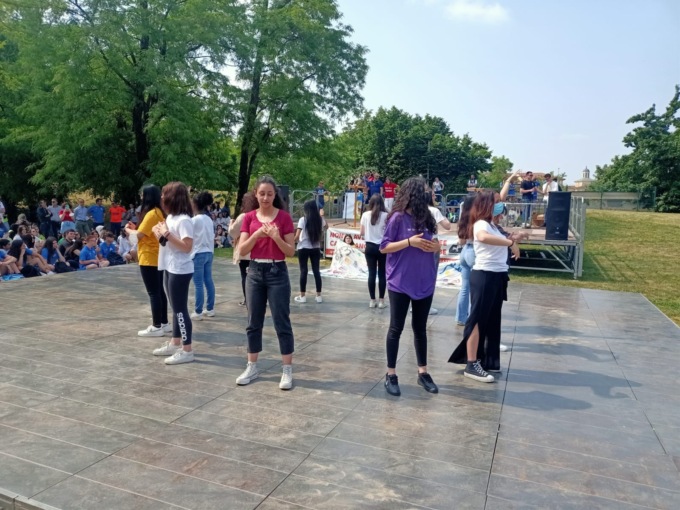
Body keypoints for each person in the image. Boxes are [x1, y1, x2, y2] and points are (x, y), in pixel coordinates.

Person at [448, 191, 521, 382]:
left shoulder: (493, 225)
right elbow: (481, 237)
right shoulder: (481, 224)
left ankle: (487, 359)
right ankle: (471, 363)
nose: (499, 205)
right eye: (496, 202)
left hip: (497, 276)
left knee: (491, 319)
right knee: (477, 319)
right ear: (487, 205)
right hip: (484, 276)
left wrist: (513, 240)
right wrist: (510, 242)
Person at [379, 176, 440, 397]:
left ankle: (423, 372)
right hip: (400, 281)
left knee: (420, 328)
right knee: (396, 328)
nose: (429, 193)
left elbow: (435, 244)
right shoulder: (397, 217)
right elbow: (384, 247)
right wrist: (408, 242)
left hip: (424, 280)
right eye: (425, 190)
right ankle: (391, 374)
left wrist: (436, 247)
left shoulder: (428, 218)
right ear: (413, 193)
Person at [236, 175, 296, 390]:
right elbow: (242, 249)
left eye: (270, 194)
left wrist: (276, 237)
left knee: (282, 321)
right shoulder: (249, 217)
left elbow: (290, 251)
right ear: (256, 194)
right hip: (254, 271)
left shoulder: (284, 218)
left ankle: (287, 369)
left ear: (275, 195)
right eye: (262, 193)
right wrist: (257, 235)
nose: (265, 198)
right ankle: (252, 366)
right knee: (253, 321)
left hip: (277, 271)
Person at [150, 182, 195, 365]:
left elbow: (187, 247)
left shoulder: (184, 220)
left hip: (181, 269)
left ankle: (187, 349)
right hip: (169, 266)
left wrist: (167, 234)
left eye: (164, 194)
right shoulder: (171, 217)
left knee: (180, 310)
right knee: (175, 308)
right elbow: (166, 242)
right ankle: (175, 342)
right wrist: (158, 233)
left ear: (173, 197)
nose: (161, 197)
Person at [125, 185, 170, 338]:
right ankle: (164, 323)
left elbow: (137, 236)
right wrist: (135, 229)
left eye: (142, 195)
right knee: (159, 291)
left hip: (148, 257)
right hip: (157, 256)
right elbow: (143, 232)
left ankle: (156, 326)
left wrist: (128, 230)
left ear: (147, 196)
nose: (140, 197)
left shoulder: (151, 214)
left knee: (153, 293)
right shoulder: (159, 212)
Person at [229, 192, 258, 307]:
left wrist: (231, 223)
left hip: (245, 250)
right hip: (258, 250)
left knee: (245, 276)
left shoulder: (244, 216)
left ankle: (248, 299)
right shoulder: (260, 214)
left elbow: (233, 232)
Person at [190, 191, 216, 320]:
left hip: (198, 253)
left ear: (195, 205)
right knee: (208, 281)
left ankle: (198, 311)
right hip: (209, 252)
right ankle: (210, 309)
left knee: (198, 283)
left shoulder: (194, 220)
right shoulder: (209, 219)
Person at [294, 199, 325, 303]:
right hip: (315, 248)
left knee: (303, 271)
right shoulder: (319, 219)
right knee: (316, 271)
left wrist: (292, 241)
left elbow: (297, 235)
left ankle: (302, 296)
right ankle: (319, 296)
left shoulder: (303, 220)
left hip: (303, 247)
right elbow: (327, 227)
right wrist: (322, 216)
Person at [361, 194, 388, 309]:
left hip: (370, 246)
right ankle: (381, 301)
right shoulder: (386, 215)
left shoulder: (365, 215)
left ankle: (372, 300)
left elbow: (361, 233)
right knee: (382, 274)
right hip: (383, 247)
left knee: (371, 273)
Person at [455, 194, 477, 326]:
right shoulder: (478, 218)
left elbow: (461, 241)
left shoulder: (463, 218)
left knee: (464, 287)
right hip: (474, 251)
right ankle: (472, 319)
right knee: (475, 289)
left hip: (465, 251)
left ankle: (461, 318)